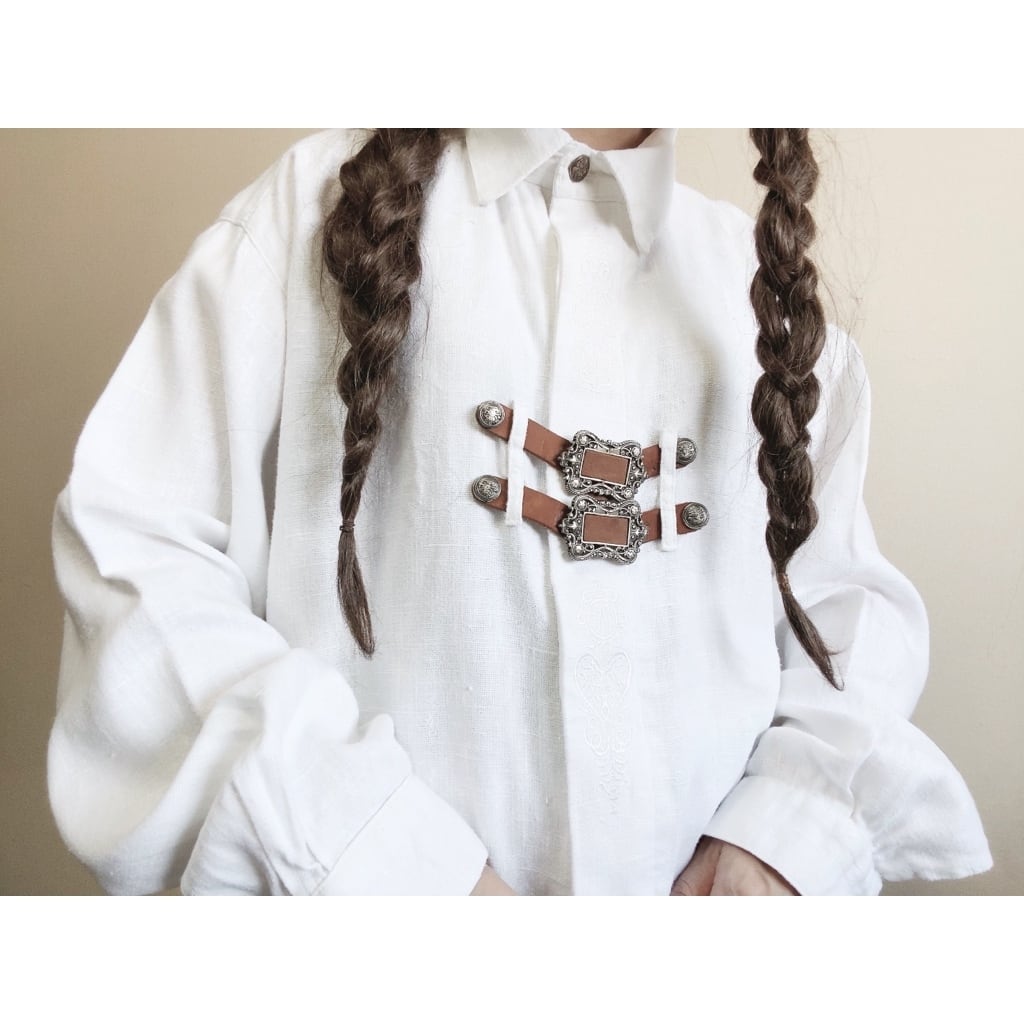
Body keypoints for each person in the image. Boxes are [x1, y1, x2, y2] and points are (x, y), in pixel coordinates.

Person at [48, 128, 991, 895]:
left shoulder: (764, 304)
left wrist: (784, 838)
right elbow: (135, 564)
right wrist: (389, 866)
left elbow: (847, 620)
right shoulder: (305, 222)